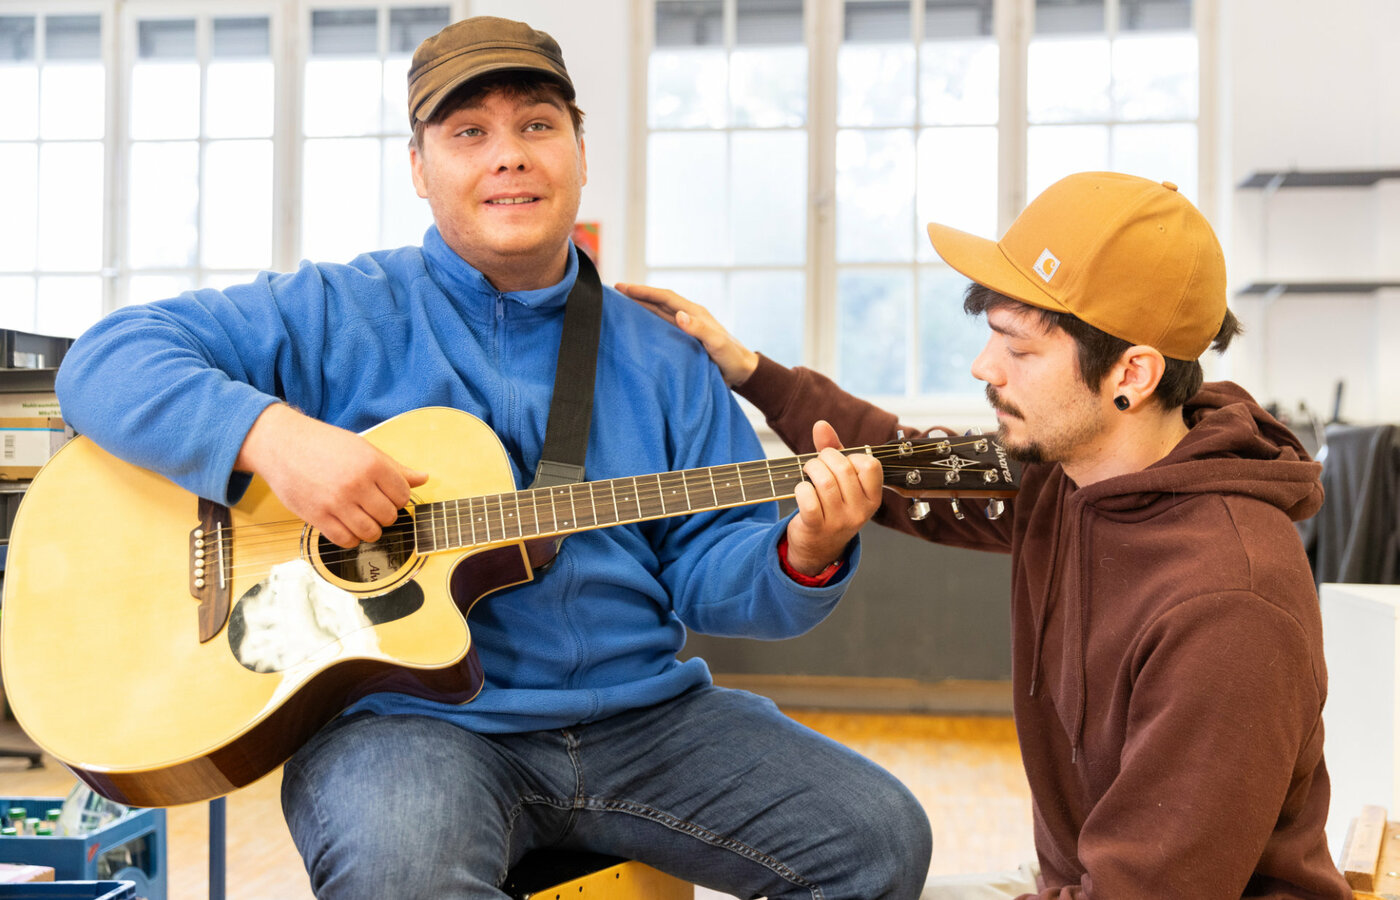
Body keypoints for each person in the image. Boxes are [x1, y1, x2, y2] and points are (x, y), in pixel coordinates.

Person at [53, 15, 933, 899]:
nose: (508, 155)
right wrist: (273, 438)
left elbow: (710, 572)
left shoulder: (667, 356)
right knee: (406, 876)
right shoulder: (333, 309)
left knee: (880, 841)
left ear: (581, 154)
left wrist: (802, 554)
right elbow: (106, 360)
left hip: (646, 718)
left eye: (538, 125)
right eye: (469, 132)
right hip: (405, 723)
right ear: (419, 168)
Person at [620, 171, 1352, 899]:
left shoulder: (1227, 601)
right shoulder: (1068, 475)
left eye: (1020, 350)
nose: (983, 367)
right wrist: (749, 370)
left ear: (1133, 371)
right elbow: (907, 462)